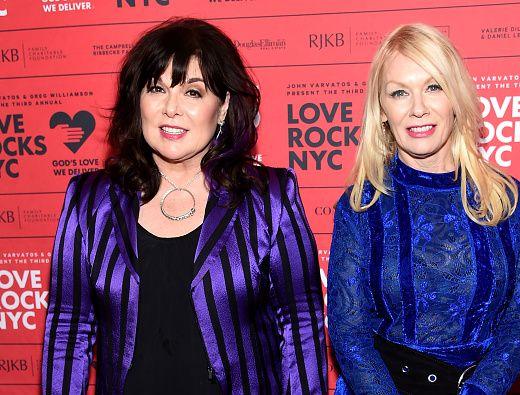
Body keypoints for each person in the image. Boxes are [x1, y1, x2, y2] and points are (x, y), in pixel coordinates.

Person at [42, 18, 327, 395]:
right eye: (156, 89)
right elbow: (69, 329)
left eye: (193, 92)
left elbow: (300, 325)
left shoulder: (268, 198)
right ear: (136, 99)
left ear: (223, 106)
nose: (170, 109)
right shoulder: (89, 202)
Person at [328, 24, 520, 395]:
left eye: (433, 86)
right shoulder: (362, 205)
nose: (418, 108)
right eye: (399, 93)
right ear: (381, 110)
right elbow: (348, 331)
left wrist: (479, 391)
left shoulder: (505, 200)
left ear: (455, 96)